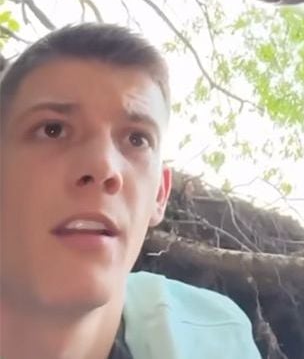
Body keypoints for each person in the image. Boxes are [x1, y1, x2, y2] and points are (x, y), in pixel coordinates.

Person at [0, 23, 262, 359]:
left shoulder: (215, 339)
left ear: (159, 195)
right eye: (53, 130)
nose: (103, 168)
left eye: (136, 139)